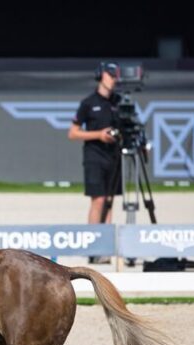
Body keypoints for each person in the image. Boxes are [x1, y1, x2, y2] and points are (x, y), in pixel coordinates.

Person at [68, 62, 122, 264]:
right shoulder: (88, 103)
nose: (113, 79)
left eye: (116, 76)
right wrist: (99, 135)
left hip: (114, 157)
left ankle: (106, 247)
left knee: (109, 201)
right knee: (98, 200)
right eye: (110, 75)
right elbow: (72, 133)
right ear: (101, 76)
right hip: (94, 156)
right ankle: (93, 246)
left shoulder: (119, 102)